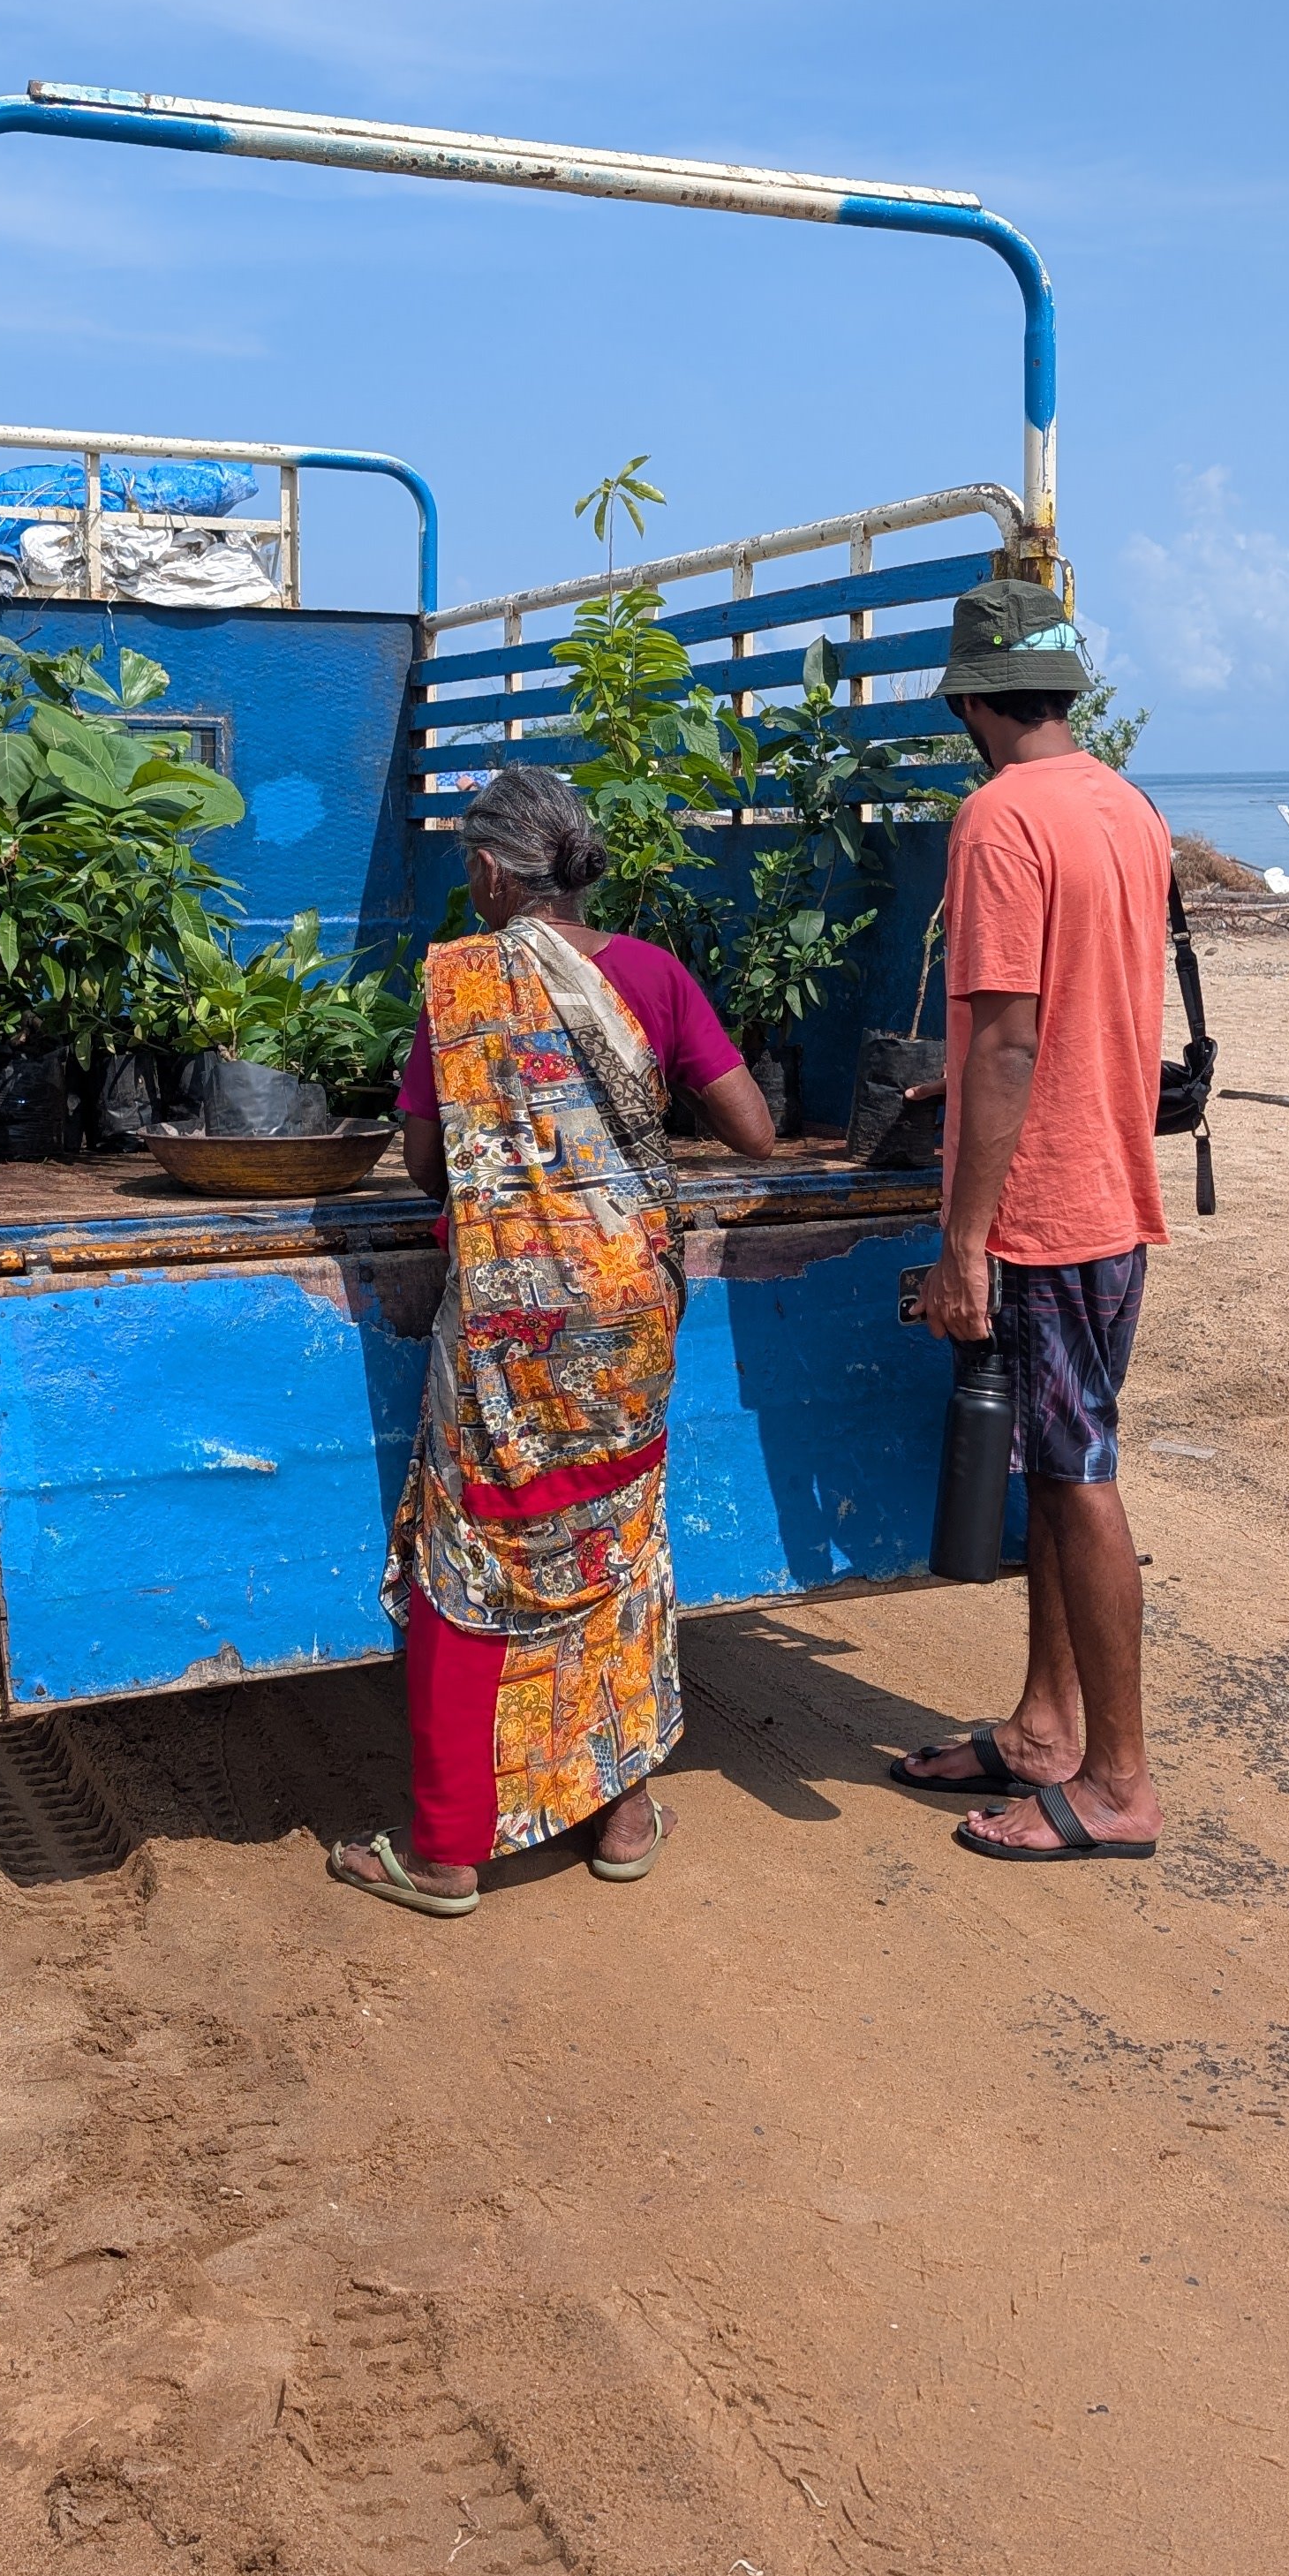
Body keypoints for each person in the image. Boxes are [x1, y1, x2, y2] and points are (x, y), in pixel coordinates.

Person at [331, 768, 775, 1917]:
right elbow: (754, 1130)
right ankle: (624, 1811)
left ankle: (444, 1852)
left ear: (491, 871)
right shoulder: (656, 976)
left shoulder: (463, 985)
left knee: (477, 1559)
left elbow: (430, 1168)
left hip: (512, 1323)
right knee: (620, 1541)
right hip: (630, 1313)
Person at [895, 579, 1170, 1862]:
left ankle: (1118, 1784)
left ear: (970, 701)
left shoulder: (999, 817)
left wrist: (963, 1241)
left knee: (1078, 1481)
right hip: (1110, 1185)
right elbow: (1077, 1006)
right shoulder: (1126, 804)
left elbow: (1009, 1035)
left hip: (1044, 1206)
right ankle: (1048, 1728)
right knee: (1065, 1472)